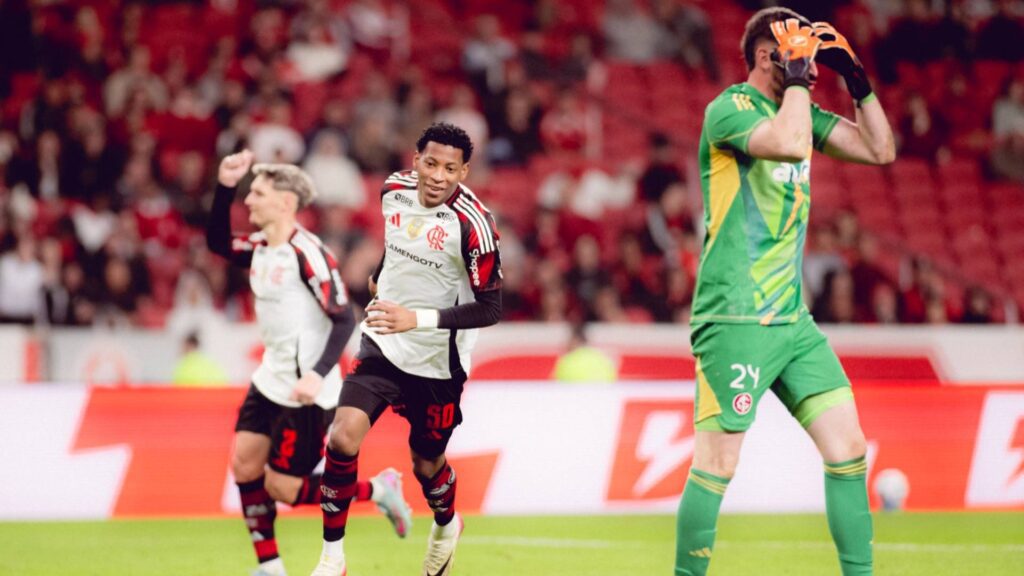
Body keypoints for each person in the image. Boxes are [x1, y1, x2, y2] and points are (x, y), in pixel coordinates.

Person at [676, 8, 894, 576]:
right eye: (802, 51)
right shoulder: (730, 109)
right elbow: (791, 144)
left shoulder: (802, 106)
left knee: (848, 450)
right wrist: (797, 80)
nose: (814, 65)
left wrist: (858, 80)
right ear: (769, 55)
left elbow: (881, 151)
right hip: (736, 318)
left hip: (792, 322)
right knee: (718, 463)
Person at [310, 122, 502, 576]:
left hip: (438, 362)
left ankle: (445, 525)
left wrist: (417, 318)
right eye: (430, 163)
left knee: (426, 462)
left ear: (464, 172)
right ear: (415, 161)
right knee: (341, 437)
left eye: (450, 169)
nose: (438, 176)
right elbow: (398, 244)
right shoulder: (393, 189)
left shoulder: (475, 225)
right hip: (384, 342)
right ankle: (332, 558)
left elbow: (491, 307)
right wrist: (382, 274)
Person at [207, 151, 412, 576]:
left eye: (257, 194)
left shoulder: (309, 254)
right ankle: (271, 568)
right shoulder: (262, 247)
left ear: (285, 203)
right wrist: (225, 184)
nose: (248, 202)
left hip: (308, 391)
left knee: (282, 487)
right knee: (244, 463)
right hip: (270, 380)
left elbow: (344, 319)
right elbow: (216, 243)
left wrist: (317, 376)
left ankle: (378, 489)